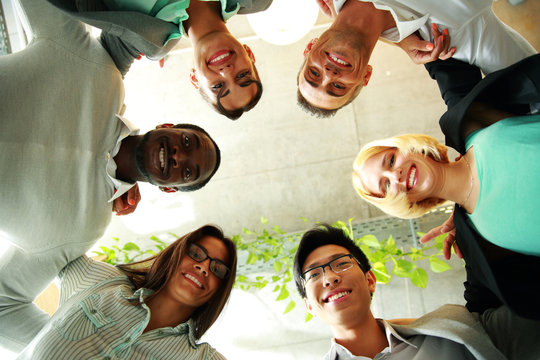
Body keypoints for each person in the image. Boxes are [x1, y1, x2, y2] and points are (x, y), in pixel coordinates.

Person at [0, 0, 220, 350]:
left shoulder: (85, 226)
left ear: (169, 190)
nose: (180, 155)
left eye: (188, 170)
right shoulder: (97, 70)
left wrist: (79, 350)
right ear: (168, 126)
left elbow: (3, 308)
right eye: (188, 142)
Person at [352, 53, 540, 320]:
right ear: (399, 203)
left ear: (407, 146)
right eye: (385, 185)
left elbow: (439, 54)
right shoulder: (474, 241)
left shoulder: (467, 120)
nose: (396, 175)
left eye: (391, 160)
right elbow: (477, 316)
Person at [293, 224, 540, 359]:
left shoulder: (453, 329)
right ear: (309, 306)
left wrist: (472, 229)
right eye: (314, 274)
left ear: (370, 280)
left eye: (341, 263)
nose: (330, 277)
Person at [13, 224, 237, 358]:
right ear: (175, 255)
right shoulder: (100, 279)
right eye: (196, 254)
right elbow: (48, 236)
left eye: (217, 269)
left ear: (218, 292)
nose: (204, 267)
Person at [297, 0, 537, 117]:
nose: (329, 74)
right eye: (338, 87)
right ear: (366, 76)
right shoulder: (450, 34)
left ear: (310, 47)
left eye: (314, 74)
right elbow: (532, 85)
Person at [47, 0, 272, 120]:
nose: (227, 71)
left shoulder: (147, 40)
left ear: (195, 79)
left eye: (218, 86)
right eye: (242, 75)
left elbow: (100, 76)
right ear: (249, 54)